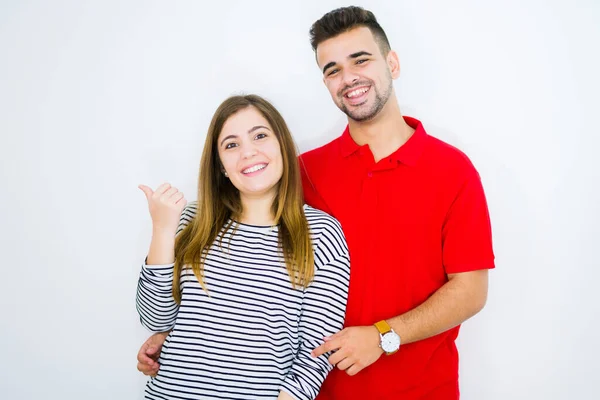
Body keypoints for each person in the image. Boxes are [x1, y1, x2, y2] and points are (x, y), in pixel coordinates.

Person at [138, 6, 495, 399]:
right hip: (321, 392)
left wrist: (384, 336)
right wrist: (175, 334)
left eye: (361, 60)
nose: (348, 78)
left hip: (421, 388)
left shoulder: (452, 170)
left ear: (392, 63)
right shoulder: (300, 173)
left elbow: (470, 291)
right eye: (332, 69)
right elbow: (245, 270)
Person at [136, 94, 350, 400]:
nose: (248, 152)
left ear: (282, 147)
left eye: (260, 136)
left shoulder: (320, 233)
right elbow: (155, 319)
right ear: (221, 164)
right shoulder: (191, 219)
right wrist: (162, 229)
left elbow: (316, 352)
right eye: (231, 144)